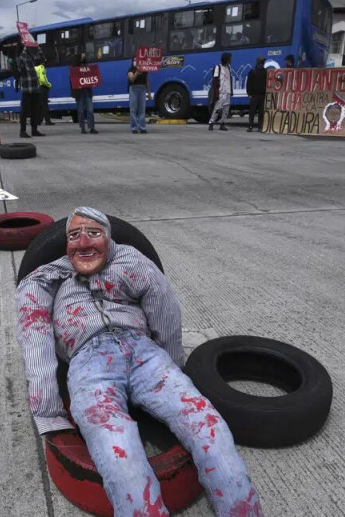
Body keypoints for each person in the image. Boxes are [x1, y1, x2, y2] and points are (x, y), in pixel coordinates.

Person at [16, 206, 263, 517]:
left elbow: (165, 309)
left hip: (146, 354)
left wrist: (173, 365)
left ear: (110, 239)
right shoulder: (45, 280)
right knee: (116, 446)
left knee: (206, 424)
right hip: (89, 364)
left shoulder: (129, 262)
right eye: (73, 235)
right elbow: (34, 339)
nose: (83, 242)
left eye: (94, 233)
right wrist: (48, 410)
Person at [16, 45, 44, 138]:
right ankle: (22, 131)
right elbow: (19, 67)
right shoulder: (23, 56)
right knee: (24, 111)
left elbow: (42, 58)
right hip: (27, 88)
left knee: (35, 111)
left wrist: (38, 47)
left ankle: (34, 130)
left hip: (35, 87)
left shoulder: (34, 54)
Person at [72, 53, 97, 134]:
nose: (84, 58)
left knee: (90, 110)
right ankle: (82, 128)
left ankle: (92, 127)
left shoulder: (88, 67)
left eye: (84, 57)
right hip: (79, 92)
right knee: (81, 111)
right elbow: (72, 81)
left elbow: (92, 77)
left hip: (87, 91)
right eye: (82, 57)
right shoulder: (74, 68)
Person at [208, 52, 233, 131]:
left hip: (227, 92)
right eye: (229, 58)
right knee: (217, 108)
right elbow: (215, 80)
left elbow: (229, 80)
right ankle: (211, 123)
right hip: (221, 91)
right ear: (226, 59)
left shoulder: (229, 67)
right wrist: (216, 92)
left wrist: (231, 90)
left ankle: (222, 123)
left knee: (226, 109)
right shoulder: (218, 67)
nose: (231, 60)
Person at [127, 58, 151, 134]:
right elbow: (132, 79)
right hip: (134, 89)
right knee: (133, 109)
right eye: (134, 60)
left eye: (136, 60)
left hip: (142, 88)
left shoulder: (145, 70)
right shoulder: (131, 70)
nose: (135, 61)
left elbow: (147, 81)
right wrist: (137, 71)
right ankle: (134, 128)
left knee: (142, 109)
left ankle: (142, 127)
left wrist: (149, 93)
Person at [246, 56, 266, 132]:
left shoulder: (265, 71)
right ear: (258, 62)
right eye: (261, 62)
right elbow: (249, 83)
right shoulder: (252, 71)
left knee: (261, 112)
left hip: (262, 94)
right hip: (254, 95)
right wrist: (249, 93)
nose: (262, 63)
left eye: (263, 62)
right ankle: (250, 126)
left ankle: (260, 127)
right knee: (252, 111)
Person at [35, 55, 54, 126]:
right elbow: (43, 80)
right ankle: (47, 121)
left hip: (36, 88)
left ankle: (38, 121)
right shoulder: (41, 67)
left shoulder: (34, 68)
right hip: (42, 88)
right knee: (45, 105)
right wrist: (49, 85)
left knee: (39, 106)